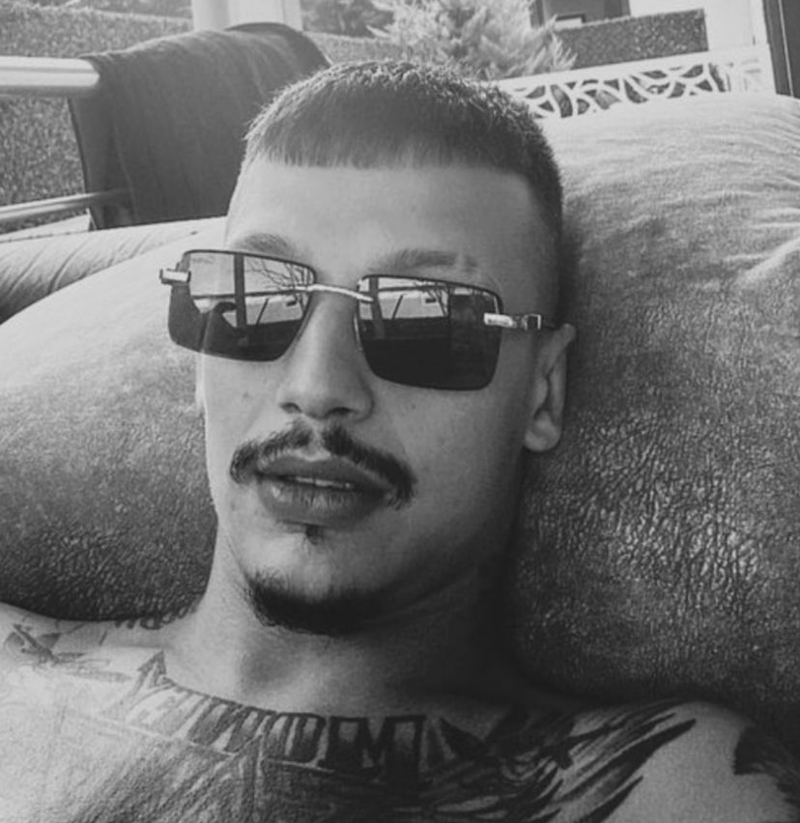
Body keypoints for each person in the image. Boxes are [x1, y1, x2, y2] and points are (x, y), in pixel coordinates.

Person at [1, 60, 798, 822]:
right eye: (251, 298)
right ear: (201, 362)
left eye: (425, 318)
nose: (316, 385)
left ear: (543, 390)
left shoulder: (669, 786)